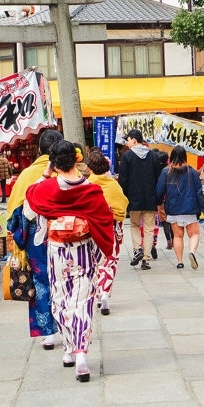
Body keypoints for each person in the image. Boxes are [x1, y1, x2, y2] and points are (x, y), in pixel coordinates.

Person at [25, 141, 115, 382]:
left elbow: (30, 202)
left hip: (57, 250)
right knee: (83, 300)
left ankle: (68, 348)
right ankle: (81, 353)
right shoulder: (90, 190)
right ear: (76, 160)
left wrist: (46, 174)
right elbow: (104, 218)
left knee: (60, 299)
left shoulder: (46, 188)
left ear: (54, 163)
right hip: (82, 249)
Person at [5, 129, 63, 350]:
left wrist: (19, 233)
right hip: (65, 235)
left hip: (37, 238)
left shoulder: (29, 174)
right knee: (65, 281)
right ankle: (68, 326)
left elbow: (14, 213)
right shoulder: (66, 171)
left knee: (41, 282)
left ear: (39, 150)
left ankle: (47, 332)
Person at [85, 149, 128, 315]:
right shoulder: (113, 185)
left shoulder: (88, 185)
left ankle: (97, 292)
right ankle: (104, 292)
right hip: (111, 227)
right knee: (110, 261)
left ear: (90, 168)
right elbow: (122, 205)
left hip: (93, 228)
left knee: (95, 262)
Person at [117, 129, 167, 270]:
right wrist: (158, 198)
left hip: (133, 199)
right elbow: (159, 180)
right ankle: (146, 259)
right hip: (150, 199)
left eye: (128, 140)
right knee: (149, 228)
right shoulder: (153, 156)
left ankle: (137, 249)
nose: (127, 143)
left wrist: (125, 197)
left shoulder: (127, 157)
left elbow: (123, 180)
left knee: (134, 225)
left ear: (134, 140)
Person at [156, 147, 204, 270]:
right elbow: (199, 191)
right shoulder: (192, 172)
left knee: (178, 236)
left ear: (171, 157)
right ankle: (192, 252)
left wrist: (158, 203)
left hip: (173, 208)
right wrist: (203, 207)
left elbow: (159, 190)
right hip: (191, 208)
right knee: (194, 234)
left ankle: (180, 261)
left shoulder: (166, 172)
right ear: (185, 156)